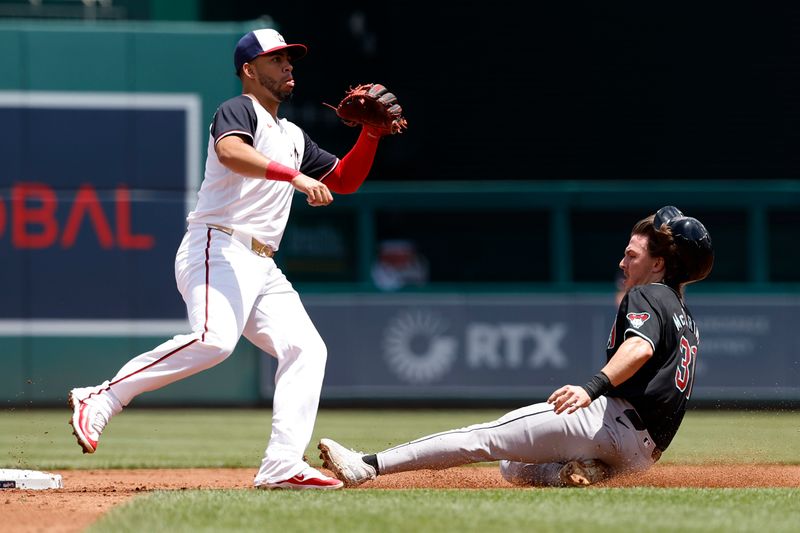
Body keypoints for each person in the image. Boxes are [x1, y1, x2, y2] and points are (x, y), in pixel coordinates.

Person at [68, 28, 401, 490]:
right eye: (276, 59)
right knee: (215, 340)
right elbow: (230, 152)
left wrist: (369, 135)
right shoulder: (239, 109)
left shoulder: (292, 135)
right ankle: (100, 398)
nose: (288, 66)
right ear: (249, 69)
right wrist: (296, 179)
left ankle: (282, 463)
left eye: (290, 59)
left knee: (307, 349)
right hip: (217, 245)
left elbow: (343, 180)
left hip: (263, 263)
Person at [319, 206, 713, 487]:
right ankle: (581, 473)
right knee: (511, 467)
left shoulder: (647, 295)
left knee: (484, 436)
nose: (623, 263)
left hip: (611, 422)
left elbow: (639, 349)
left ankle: (367, 465)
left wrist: (590, 388)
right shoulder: (684, 315)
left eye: (632, 255)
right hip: (643, 455)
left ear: (659, 265)